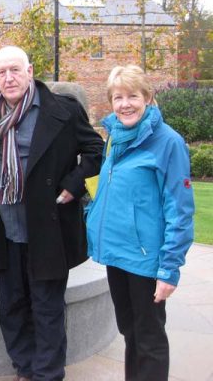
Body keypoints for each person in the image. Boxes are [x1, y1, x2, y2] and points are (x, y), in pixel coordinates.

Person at [0, 46, 104, 381]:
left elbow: (95, 150)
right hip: (3, 226)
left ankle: (48, 373)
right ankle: (25, 368)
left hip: (47, 226)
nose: (8, 78)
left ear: (30, 70)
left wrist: (74, 183)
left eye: (14, 70)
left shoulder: (62, 109)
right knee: (11, 306)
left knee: (47, 306)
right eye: (0, 72)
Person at [86, 65, 194, 381]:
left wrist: (169, 269)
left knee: (149, 339)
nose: (125, 104)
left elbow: (180, 211)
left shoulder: (168, 142)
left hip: (146, 260)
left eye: (132, 95)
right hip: (117, 256)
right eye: (118, 97)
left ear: (147, 97)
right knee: (130, 332)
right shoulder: (115, 138)